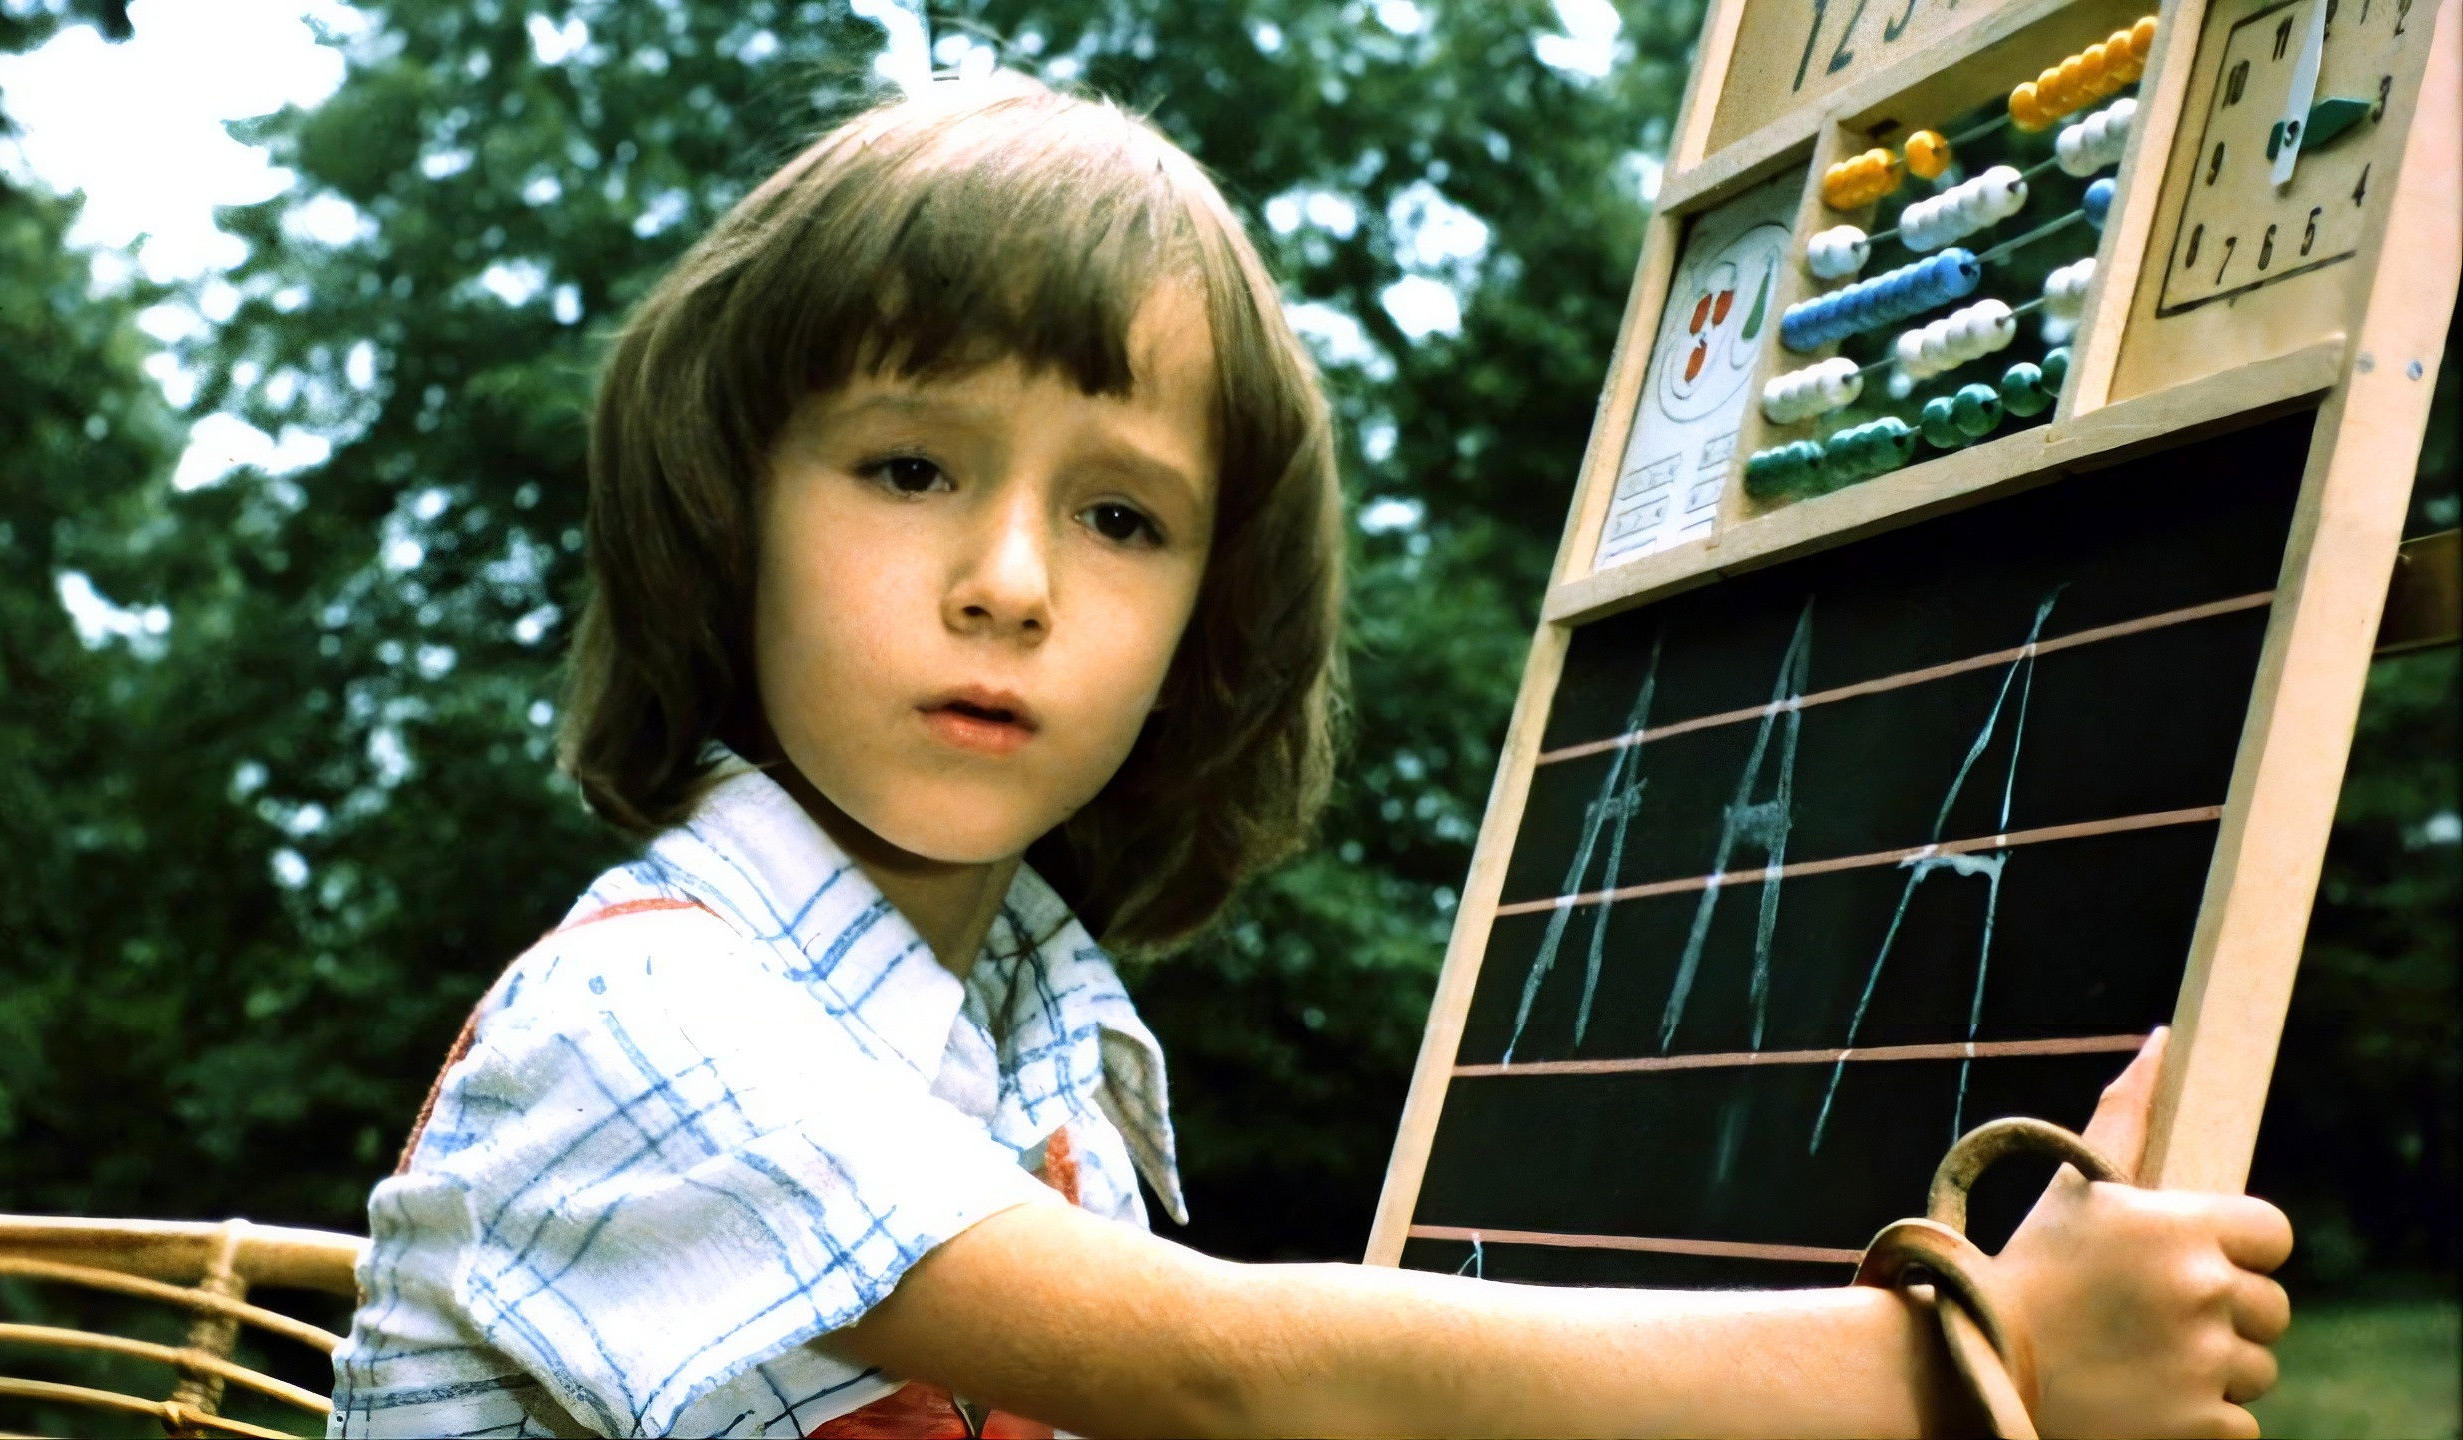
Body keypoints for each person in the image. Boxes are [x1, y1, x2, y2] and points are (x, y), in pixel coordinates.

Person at [329, 72, 2290, 1439]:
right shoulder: (640, 1010)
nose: (1008, 582)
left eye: (1122, 518)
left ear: (1202, 628)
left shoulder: (1027, 1043)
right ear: (726, 510)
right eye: (909, 466)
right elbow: (1214, 1371)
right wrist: (1976, 1360)